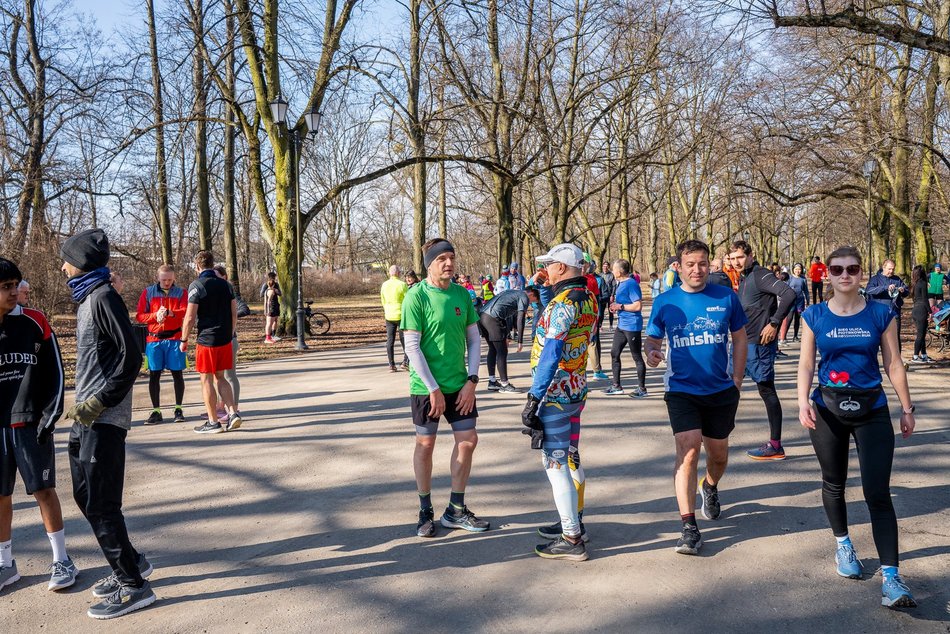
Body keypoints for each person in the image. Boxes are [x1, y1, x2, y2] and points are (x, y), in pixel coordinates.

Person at [797, 245, 918, 610]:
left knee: (877, 492)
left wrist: (907, 407)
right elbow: (805, 363)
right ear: (827, 274)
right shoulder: (813, 314)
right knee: (834, 483)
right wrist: (802, 400)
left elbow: (894, 363)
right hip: (828, 408)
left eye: (852, 269)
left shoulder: (881, 314)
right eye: (837, 269)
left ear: (861, 273)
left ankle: (892, 578)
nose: (845, 275)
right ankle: (843, 545)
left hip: (872, 408)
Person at [60, 229, 156, 619]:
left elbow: (132, 357)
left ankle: (134, 586)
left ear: (80, 261)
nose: (61, 265)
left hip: (104, 418)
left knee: (102, 503)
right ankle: (131, 564)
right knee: (86, 498)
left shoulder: (102, 298)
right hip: (86, 417)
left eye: (66, 258)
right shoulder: (88, 297)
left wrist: (100, 399)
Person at [645, 239, 748, 556]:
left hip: (720, 390)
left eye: (702, 263)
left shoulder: (725, 296)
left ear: (709, 264)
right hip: (681, 390)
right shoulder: (665, 301)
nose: (697, 269)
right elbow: (653, 336)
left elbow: (740, 337)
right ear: (678, 266)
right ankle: (689, 527)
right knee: (688, 450)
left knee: (717, 456)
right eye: (690, 264)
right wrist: (652, 351)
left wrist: (738, 378)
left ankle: (711, 486)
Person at [401, 238, 487, 538]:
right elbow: (411, 345)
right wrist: (433, 389)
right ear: (430, 265)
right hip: (426, 388)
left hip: (460, 385)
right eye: (442, 259)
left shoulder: (462, 295)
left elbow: (475, 339)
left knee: (468, 440)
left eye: (451, 257)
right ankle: (425, 509)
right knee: (425, 445)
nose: (449, 263)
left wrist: (472, 380)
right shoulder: (416, 296)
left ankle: (456, 509)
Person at [0, 259, 74, 594]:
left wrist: (51, 413)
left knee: (43, 491)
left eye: (15, 284)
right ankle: (6, 564)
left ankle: (62, 559)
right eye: (5, 287)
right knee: (0, 497)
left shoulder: (36, 321)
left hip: (30, 423)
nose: (14, 292)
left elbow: (56, 373)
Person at [523, 243, 597, 561]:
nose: (547, 269)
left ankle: (572, 537)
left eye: (551, 264)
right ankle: (574, 519)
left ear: (563, 268)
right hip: (577, 390)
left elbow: (551, 354)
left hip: (555, 394)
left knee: (554, 464)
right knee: (571, 457)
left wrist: (533, 398)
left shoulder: (562, 304)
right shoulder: (589, 299)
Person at [730, 240, 796, 461]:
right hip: (742, 343)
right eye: (733, 258)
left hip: (759, 346)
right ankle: (716, 433)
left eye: (740, 257)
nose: (736, 261)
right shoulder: (744, 277)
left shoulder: (760, 274)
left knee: (767, 391)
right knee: (728, 387)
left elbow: (788, 294)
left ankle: (775, 445)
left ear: (750, 255)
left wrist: (775, 323)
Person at [180, 251, 241, 434]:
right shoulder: (226, 285)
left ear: (197, 267)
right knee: (220, 377)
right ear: (212, 264)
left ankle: (213, 421)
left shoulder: (196, 285)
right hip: (224, 338)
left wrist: (184, 339)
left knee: (206, 378)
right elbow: (234, 312)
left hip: (207, 339)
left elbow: (190, 317)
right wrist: (230, 333)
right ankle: (232, 413)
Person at [136, 265, 188, 425]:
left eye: (170, 280)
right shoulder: (148, 292)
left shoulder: (181, 293)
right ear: (158, 278)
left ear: (174, 278)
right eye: (164, 279)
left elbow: (187, 311)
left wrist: (172, 313)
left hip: (175, 339)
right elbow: (139, 316)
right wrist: (154, 316)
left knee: (177, 374)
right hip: (154, 340)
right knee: (154, 375)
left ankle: (178, 409)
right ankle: (156, 411)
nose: (167, 283)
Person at [604, 259, 647, 397]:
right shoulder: (620, 284)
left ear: (620, 271)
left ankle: (642, 389)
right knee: (614, 353)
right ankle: (616, 386)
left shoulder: (631, 284)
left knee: (637, 357)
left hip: (632, 325)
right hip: (621, 325)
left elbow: (637, 306)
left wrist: (620, 306)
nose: (612, 271)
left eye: (614, 269)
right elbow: (624, 303)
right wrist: (615, 306)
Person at [478, 289, 529, 393]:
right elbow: (520, 319)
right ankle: (504, 384)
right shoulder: (524, 297)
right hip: (492, 318)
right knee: (502, 352)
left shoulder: (510, 293)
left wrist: (505, 335)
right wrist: (520, 341)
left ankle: (492, 382)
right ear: (532, 293)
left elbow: (503, 313)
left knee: (493, 349)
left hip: (482, 316)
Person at [212, 265, 242, 419]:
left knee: (230, 376)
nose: (214, 278)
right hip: (218, 340)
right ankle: (220, 408)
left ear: (224, 277)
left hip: (230, 339)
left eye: (217, 275)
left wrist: (230, 323)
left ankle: (234, 410)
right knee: (218, 376)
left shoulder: (229, 290)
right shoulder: (215, 291)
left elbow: (243, 309)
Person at [865, 259, 909, 351]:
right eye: (889, 269)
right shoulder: (875, 279)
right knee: (875, 340)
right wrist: (885, 288)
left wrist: (903, 290)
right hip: (877, 316)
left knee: (895, 341)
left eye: (893, 269)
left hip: (894, 314)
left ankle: (897, 363)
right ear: (883, 267)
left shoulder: (897, 279)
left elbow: (907, 292)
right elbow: (869, 290)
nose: (891, 271)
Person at [381, 265, 409, 372]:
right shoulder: (402, 284)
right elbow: (407, 300)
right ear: (398, 273)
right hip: (401, 314)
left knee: (390, 340)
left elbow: (382, 299)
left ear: (389, 273)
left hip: (389, 314)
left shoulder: (384, 285)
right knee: (404, 339)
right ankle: (405, 362)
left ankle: (391, 364)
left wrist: (386, 309)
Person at [780, 263, 808, 344]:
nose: (797, 271)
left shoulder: (803, 279)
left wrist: (808, 300)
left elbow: (805, 290)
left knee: (797, 319)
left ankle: (795, 336)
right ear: (793, 270)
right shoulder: (790, 278)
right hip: (791, 301)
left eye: (799, 269)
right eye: (796, 269)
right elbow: (785, 288)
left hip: (800, 301)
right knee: (789, 318)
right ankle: (784, 336)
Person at [909, 265, 931, 363]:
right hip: (922, 310)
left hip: (915, 310)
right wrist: (930, 312)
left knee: (922, 334)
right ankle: (915, 356)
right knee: (920, 335)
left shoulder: (914, 283)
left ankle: (924, 355)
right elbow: (925, 299)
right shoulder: (923, 283)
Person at [263, 273, 281, 343]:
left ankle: (270, 337)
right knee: (269, 324)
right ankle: (267, 338)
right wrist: (267, 310)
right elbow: (268, 302)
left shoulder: (270, 290)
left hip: (274, 307)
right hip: (271, 308)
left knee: (271, 323)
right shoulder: (270, 291)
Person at [601, 261, 617, 328]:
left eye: (607, 266)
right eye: (604, 266)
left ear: (608, 267)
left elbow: (614, 285)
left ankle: (611, 325)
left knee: (610, 310)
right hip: (602, 295)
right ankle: (600, 325)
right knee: (601, 311)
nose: (605, 267)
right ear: (602, 267)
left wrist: (612, 295)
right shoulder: (600, 275)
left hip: (609, 295)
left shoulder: (611, 275)